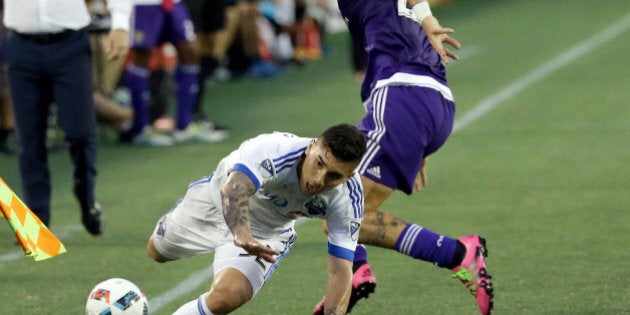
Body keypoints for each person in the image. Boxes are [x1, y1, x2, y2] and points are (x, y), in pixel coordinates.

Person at [313, 0, 494, 314]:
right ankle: (355, 272)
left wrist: (427, 17)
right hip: (423, 103)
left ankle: (458, 253)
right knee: (337, 197)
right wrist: (413, 141)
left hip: (403, 97)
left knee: (344, 213)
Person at [146, 123, 367, 314]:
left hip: (265, 233)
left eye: (334, 176)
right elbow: (235, 188)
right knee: (156, 252)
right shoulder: (275, 149)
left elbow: (340, 270)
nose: (319, 180)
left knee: (227, 296)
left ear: (349, 176)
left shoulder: (348, 197)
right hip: (216, 202)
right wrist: (242, 234)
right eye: (319, 163)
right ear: (311, 147)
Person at [2, 0, 131, 235]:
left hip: (70, 44)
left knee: (80, 133)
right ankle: (37, 221)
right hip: (20, 44)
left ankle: (87, 199)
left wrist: (120, 24)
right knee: (28, 139)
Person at [122, 0, 228, 146]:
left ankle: (184, 126)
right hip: (144, 3)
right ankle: (140, 129)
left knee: (190, 51)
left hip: (172, 3)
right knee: (142, 55)